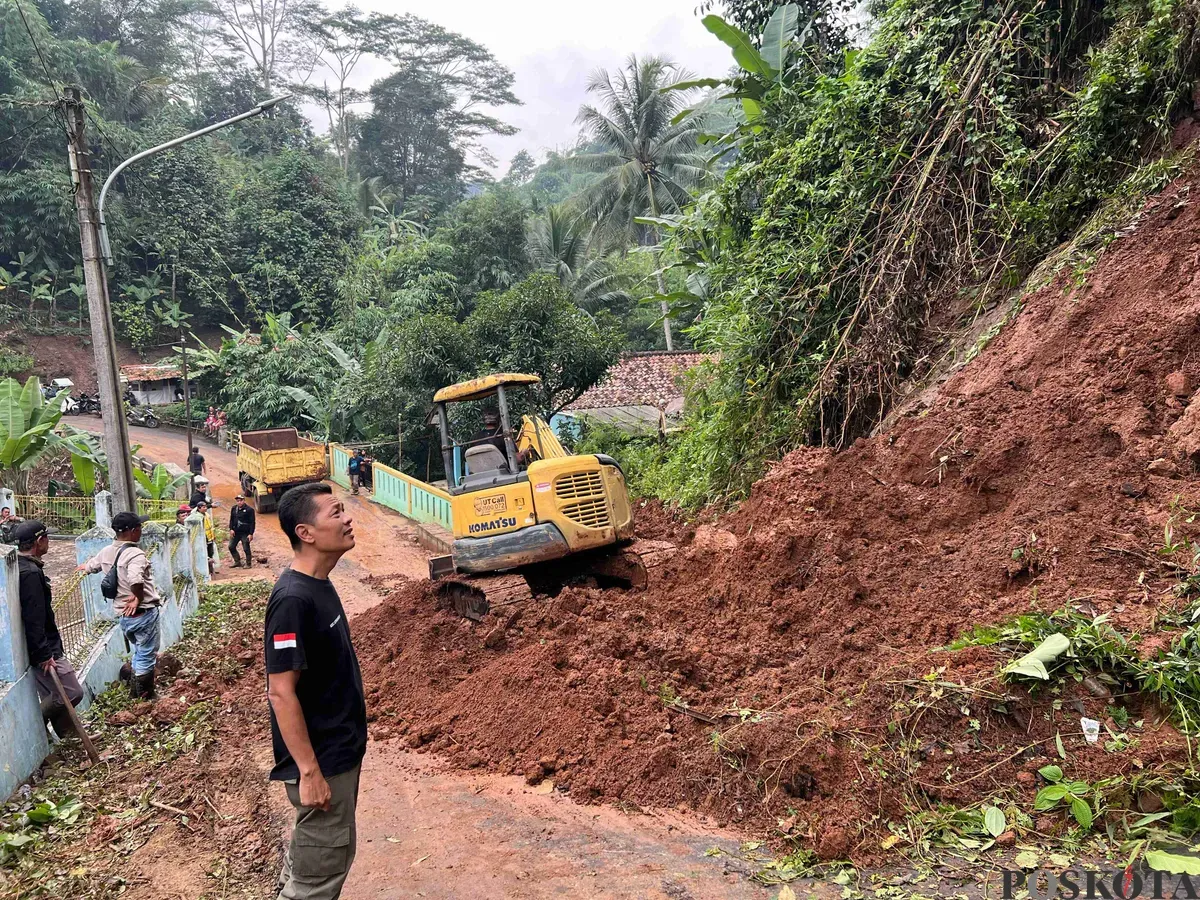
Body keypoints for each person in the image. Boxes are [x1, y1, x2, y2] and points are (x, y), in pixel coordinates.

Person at [265, 483, 365, 900]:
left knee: (316, 856)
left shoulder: (319, 584)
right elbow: (280, 692)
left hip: (337, 754)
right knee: (318, 876)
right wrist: (309, 771)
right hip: (322, 761)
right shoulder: (293, 599)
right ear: (306, 532)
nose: (347, 519)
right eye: (335, 512)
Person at [78, 512, 160, 699]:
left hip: (124, 617)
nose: (141, 531)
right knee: (147, 654)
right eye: (139, 528)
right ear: (133, 531)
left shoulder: (106, 552)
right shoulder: (135, 554)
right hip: (142, 613)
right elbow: (135, 578)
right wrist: (137, 597)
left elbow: (93, 565)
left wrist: (85, 567)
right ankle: (145, 697)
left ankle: (135, 691)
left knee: (140, 651)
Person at [16, 521, 85, 740]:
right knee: (72, 692)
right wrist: (44, 653)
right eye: (47, 538)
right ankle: (35, 723)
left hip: (39, 646)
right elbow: (34, 617)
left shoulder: (22, 566)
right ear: (39, 541)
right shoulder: (30, 574)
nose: (49, 542)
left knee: (52, 693)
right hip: (44, 648)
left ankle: (68, 735)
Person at [228, 494, 256, 569]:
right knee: (231, 546)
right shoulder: (234, 508)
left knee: (246, 548)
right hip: (236, 532)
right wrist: (231, 529)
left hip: (245, 533)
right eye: (238, 501)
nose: (239, 502)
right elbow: (231, 519)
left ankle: (248, 564)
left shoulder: (249, 510)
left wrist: (251, 534)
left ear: (244, 501)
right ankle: (237, 561)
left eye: (241, 501)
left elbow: (252, 522)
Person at [196, 499, 216, 573]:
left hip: (210, 538)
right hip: (203, 539)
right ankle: (207, 570)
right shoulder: (197, 517)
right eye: (203, 507)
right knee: (205, 555)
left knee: (210, 553)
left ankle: (211, 570)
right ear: (199, 508)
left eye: (205, 507)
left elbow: (210, 526)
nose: (205, 508)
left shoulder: (207, 515)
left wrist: (213, 536)